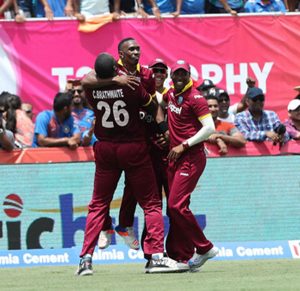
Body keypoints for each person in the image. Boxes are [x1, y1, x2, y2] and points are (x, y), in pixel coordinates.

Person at [77, 52, 188, 276]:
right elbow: (151, 106)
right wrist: (163, 130)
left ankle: (85, 261)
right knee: (151, 203)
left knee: (98, 204)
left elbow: (87, 81)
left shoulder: (91, 88)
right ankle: (156, 256)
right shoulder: (131, 86)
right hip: (133, 147)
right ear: (116, 70)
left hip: (106, 148)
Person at [83, 38, 159, 251]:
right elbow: (85, 80)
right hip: (112, 140)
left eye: (138, 48)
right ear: (121, 54)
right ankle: (106, 227)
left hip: (137, 137)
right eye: (131, 49)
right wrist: (118, 82)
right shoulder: (113, 70)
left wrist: (159, 128)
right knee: (103, 193)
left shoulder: (146, 74)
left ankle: (124, 225)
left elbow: (152, 104)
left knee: (132, 186)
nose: (136, 52)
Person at [159, 60, 218, 269]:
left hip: (191, 158)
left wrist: (183, 145)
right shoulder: (171, 93)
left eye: (184, 74)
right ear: (172, 76)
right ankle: (183, 254)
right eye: (177, 74)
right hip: (176, 158)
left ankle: (205, 248)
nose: (180, 77)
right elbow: (159, 101)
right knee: (177, 207)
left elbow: (209, 128)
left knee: (176, 206)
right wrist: (163, 128)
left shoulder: (197, 98)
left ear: (190, 75)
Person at [70, 80, 96, 146]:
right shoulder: (65, 115)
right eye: (73, 92)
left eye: (79, 91)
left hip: (90, 151)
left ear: (85, 93)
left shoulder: (93, 114)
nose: (76, 94)